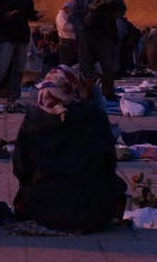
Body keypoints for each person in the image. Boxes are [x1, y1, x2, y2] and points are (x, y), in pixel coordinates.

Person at [13, 65, 127, 233]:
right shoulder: (95, 118)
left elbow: (21, 169)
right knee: (117, 187)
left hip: (43, 210)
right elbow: (109, 164)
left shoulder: (31, 121)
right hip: (92, 214)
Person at [68, 0, 126, 100]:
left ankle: (107, 93)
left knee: (107, 64)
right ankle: (86, 94)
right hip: (87, 34)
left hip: (105, 33)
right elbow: (72, 14)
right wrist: (81, 27)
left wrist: (109, 10)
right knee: (85, 65)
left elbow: (122, 8)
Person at [55, 0, 77, 66]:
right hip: (66, 41)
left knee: (70, 60)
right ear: (66, 8)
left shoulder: (66, 15)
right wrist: (75, 27)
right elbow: (64, 26)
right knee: (66, 61)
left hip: (69, 41)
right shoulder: (61, 16)